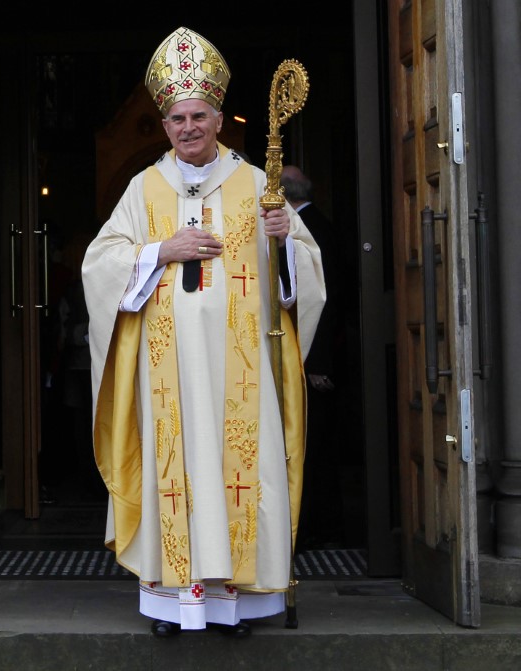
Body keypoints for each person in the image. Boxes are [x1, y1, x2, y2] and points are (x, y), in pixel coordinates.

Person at [82, 27, 326, 638]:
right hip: (168, 375)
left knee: (238, 473)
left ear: (220, 118)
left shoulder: (253, 185)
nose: (187, 127)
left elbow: (304, 279)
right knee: (177, 472)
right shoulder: (143, 188)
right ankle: (172, 602)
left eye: (198, 116)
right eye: (175, 118)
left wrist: (284, 243)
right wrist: (162, 249)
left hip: (239, 372)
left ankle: (238, 602)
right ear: (163, 124)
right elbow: (100, 263)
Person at [280, 165, 345, 549]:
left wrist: (317, 362)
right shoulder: (320, 223)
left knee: (314, 448)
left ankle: (320, 532)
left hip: (313, 360)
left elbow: (325, 299)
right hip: (312, 357)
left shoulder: (312, 231)